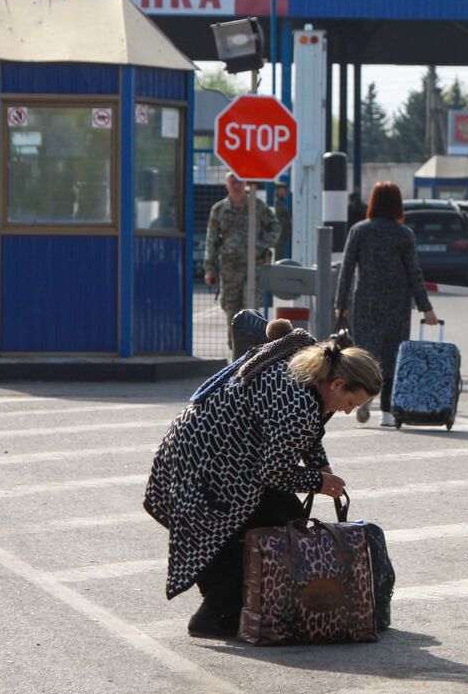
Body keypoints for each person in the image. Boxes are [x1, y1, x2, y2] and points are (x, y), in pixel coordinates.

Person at [144, 329, 384, 639]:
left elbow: (305, 433)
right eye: (351, 402)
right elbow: (274, 471)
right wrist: (318, 481)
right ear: (337, 384)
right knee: (274, 526)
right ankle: (217, 615)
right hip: (209, 466)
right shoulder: (299, 404)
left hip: (198, 451)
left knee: (277, 521)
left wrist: (320, 465)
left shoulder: (305, 372)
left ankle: (233, 606)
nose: (349, 410)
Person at [336, 182, 440, 427]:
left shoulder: (359, 230)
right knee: (394, 355)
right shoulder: (404, 234)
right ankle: (387, 412)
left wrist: (341, 303)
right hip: (397, 303)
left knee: (366, 353)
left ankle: (364, 399)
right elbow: (414, 273)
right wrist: (426, 307)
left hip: (365, 301)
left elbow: (347, 268)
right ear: (397, 204)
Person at [205, 172, 281, 358]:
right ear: (226, 184)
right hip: (230, 268)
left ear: (245, 183)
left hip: (253, 267)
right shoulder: (219, 209)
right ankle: (235, 354)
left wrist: (260, 244)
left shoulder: (257, 206)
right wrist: (210, 269)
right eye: (232, 182)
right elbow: (212, 240)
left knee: (252, 310)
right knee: (231, 310)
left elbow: (275, 227)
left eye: (239, 182)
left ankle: (253, 355)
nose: (236, 186)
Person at [273, 182, 292, 259]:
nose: (285, 192)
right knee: (278, 256)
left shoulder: (282, 203)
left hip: (283, 236)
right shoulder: (277, 203)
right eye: (282, 190)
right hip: (279, 236)